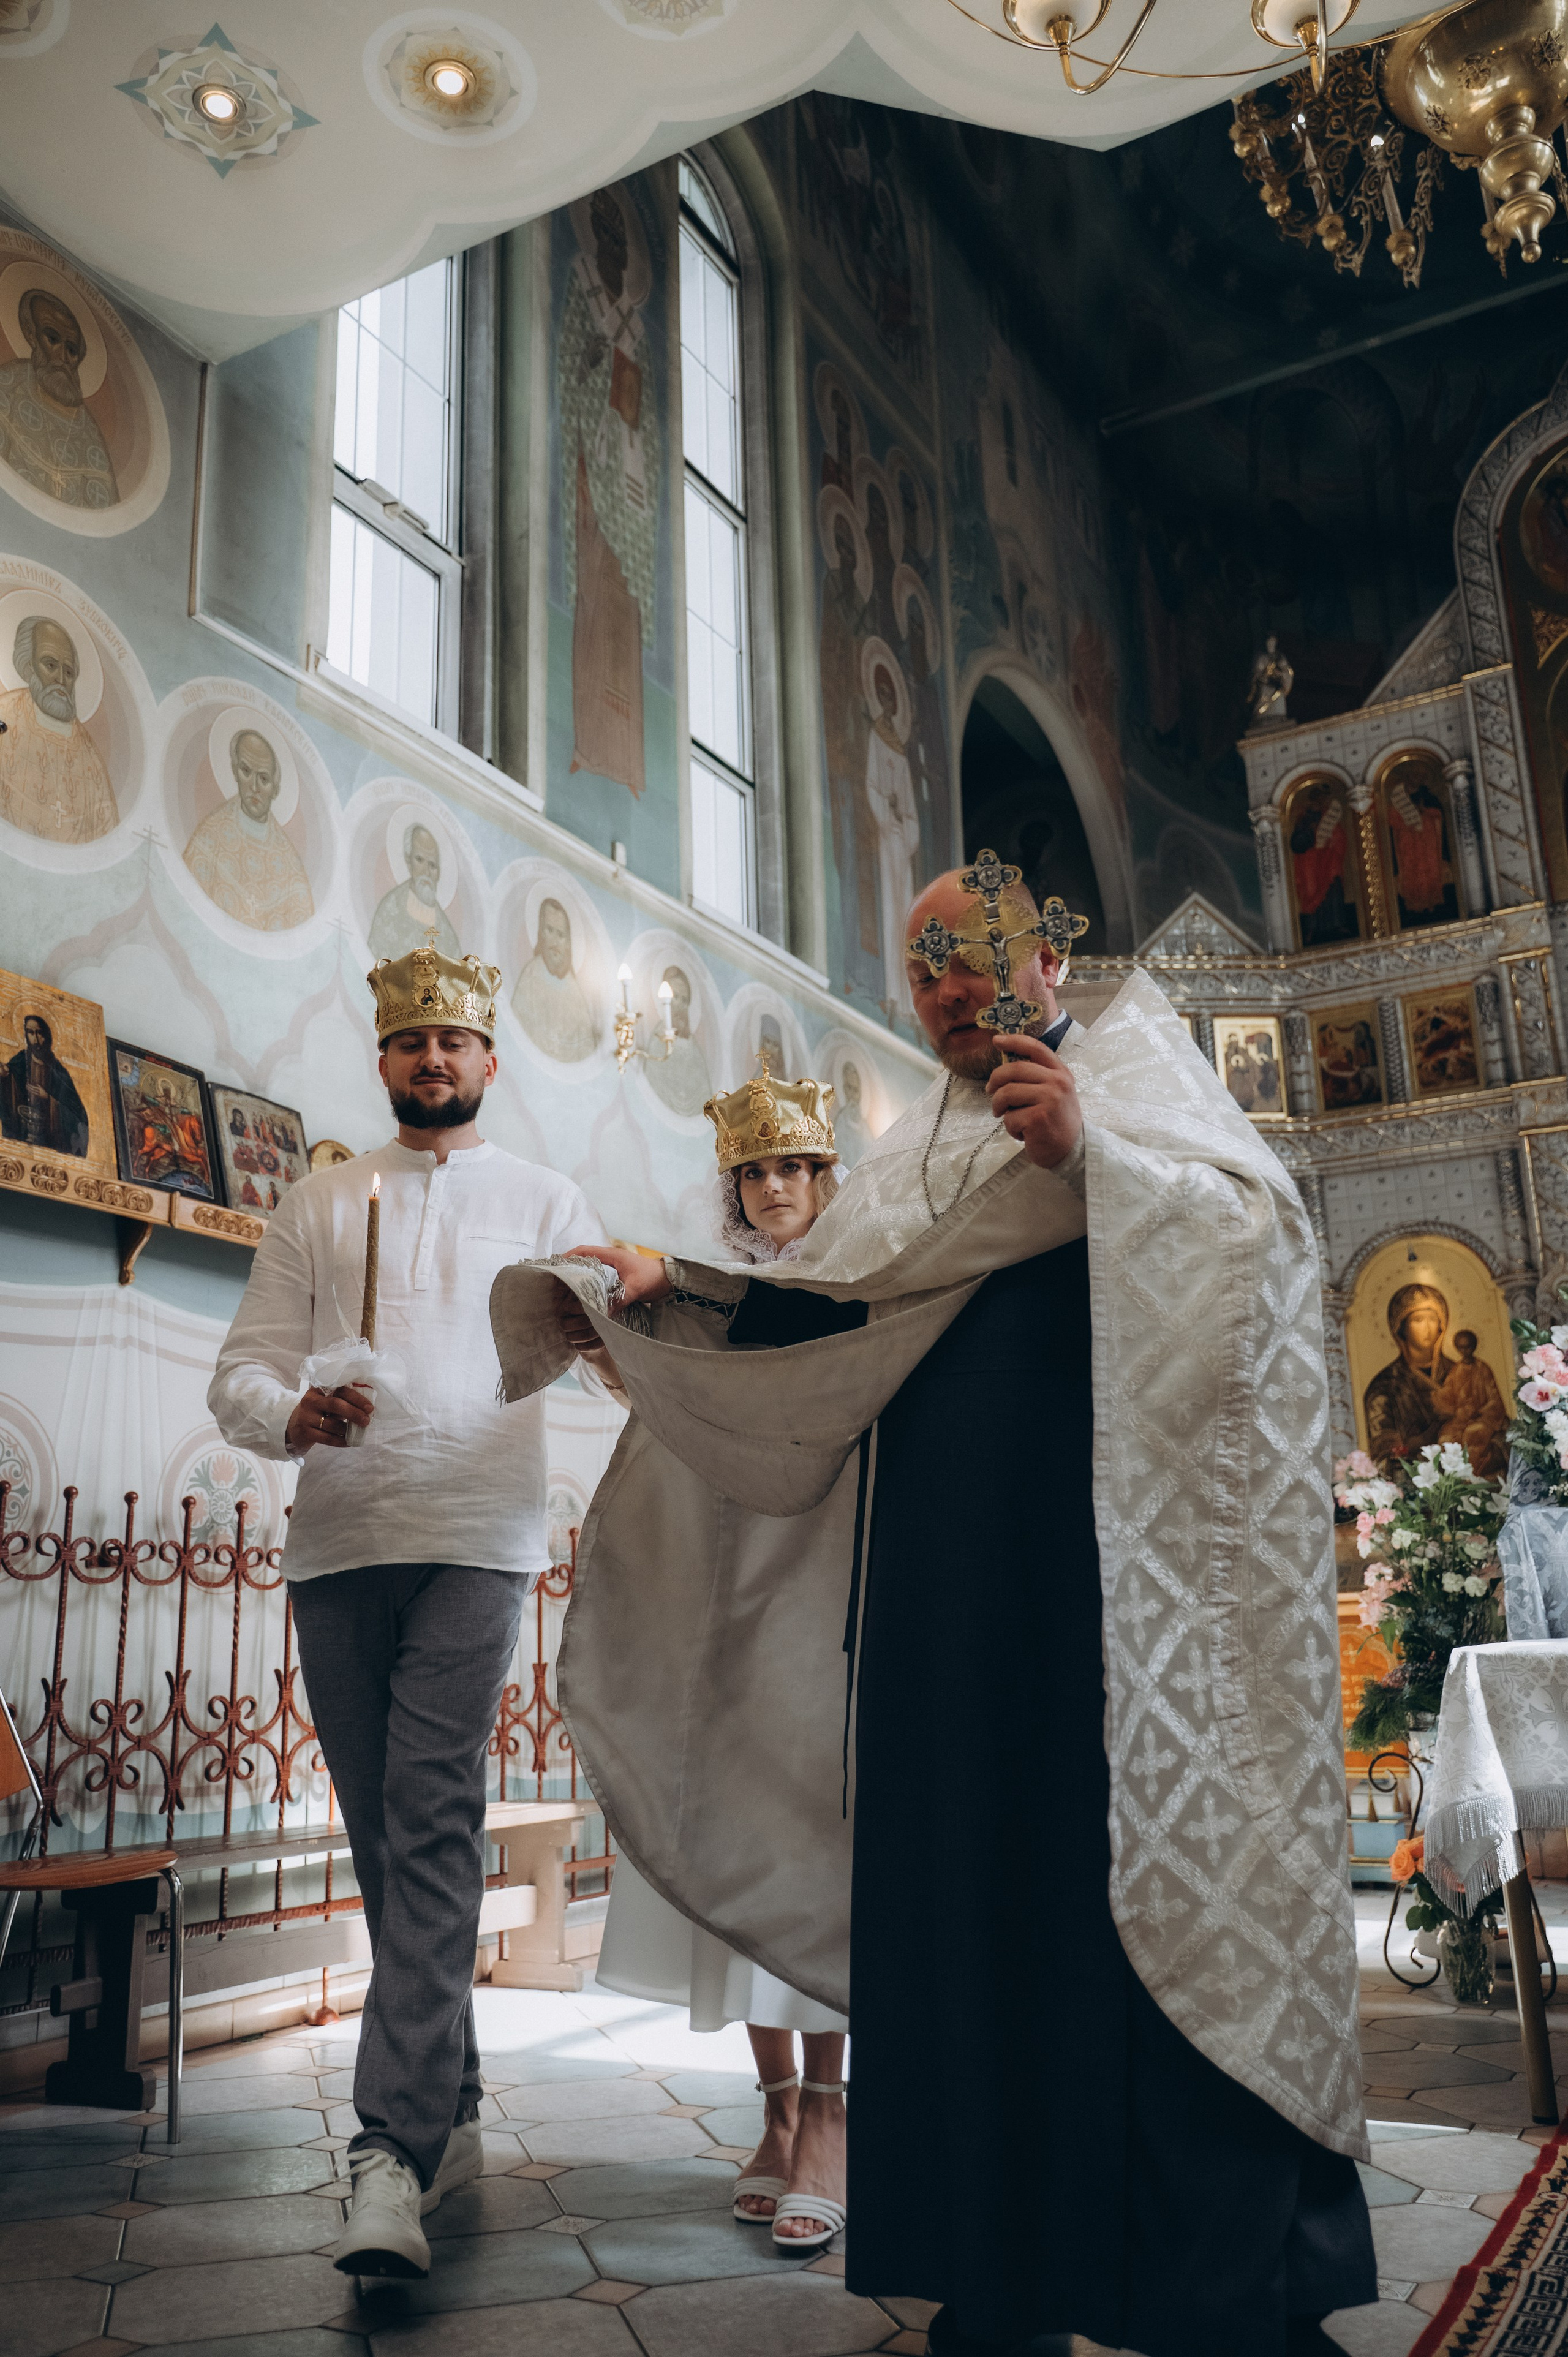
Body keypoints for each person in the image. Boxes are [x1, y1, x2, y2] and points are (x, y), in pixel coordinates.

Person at [494, 856, 1374, 2355]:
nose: (949, 988)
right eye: (921, 970)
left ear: (1045, 953)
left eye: (972, 955)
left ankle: (1215, 2277)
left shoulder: (1138, 1070)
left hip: (1115, 1604)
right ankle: (998, 2260)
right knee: (960, 1910)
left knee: (1127, 1909)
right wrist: (673, 1286)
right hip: (940, 1608)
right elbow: (831, 1307)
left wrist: (1099, 1157)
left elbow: (1260, 1237)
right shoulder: (914, 1151)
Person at [209, 940, 611, 2281]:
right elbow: (242, 1371)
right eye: (409, 1041)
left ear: (491, 1060)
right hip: (339, 1544)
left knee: (430, 1814)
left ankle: (387, 2151)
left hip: (478, 1541)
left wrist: (622, 1321)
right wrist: (292, 1415)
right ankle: (456, 2089)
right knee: (389, 1838)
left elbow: (606, 1358)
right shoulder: (317, 1203)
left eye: (454, 1040)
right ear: (382, 1060)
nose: (432, 1058)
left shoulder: (549, 1197)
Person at [587, 1066, 849, 2250]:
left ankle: (833, 2112)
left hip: (821, 1590)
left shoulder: (856, 1287)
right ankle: (776, 2105)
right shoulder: (706, 1295)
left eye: (792, 1164)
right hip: (719, 1596)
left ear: (826, 1176)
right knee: (723, 1828)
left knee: (814, 1839)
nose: (774, 1184)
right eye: (754, 1169)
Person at [0, 612, 116, 842]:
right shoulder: (6, 715)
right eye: (50, 665)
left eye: (69, 672)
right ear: (29, 666)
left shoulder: (89, 755)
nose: (61, 679)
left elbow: (105, 833)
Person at [183, 728, 314, 931]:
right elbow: (187, 904)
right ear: (235, 772)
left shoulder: (290, 865)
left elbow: (300, 930)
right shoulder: (210, 836)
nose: (254, 787)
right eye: (246, 771)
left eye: (263, 779)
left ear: (276, 789)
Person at [0, 286, 118, 511]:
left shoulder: (87, 430)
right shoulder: (9, 385)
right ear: (31, 334)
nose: (63, 357)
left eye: (72, 350)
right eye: (52, 338)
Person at [511, 895, 598, 1062]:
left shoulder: (575, 991)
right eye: (549, 930)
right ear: (541, 933)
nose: (555, 941)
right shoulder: (531, 974)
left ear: (569, 942)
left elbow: (587, 1046)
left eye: (561, 934)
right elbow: (518, 1025)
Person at [2, 1009, 89, 1155]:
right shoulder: (19, 1062)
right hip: (22, 1135)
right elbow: (7, 1092)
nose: (35, 1039)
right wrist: (5, 1077)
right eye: (30, 1033)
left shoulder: (59, 1072)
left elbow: (79, 1117)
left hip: (50, 1142)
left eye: (39, 1033)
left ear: (47, 1036)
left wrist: (49, 1099)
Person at [368, 823, 460, 960]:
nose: (426, 872)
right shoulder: (391, 908)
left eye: (433, 865)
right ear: (408, 861)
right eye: (420, 860)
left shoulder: (447, 932)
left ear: (439, 873)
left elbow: (456, 975)